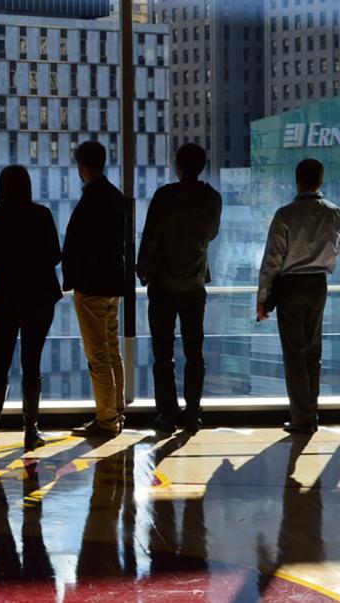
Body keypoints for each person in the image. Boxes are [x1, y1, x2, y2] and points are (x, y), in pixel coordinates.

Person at [0, 165, 62, 453]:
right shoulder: (42, 215)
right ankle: (31, 431)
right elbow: (55, 255)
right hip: (40, 299)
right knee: (32, 365)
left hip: (7, 299)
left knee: (0, 366)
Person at [137, 144, 222, 435]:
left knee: (163, 353)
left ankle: (168, 413)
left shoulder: (166, 196)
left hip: (163, 284)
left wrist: (142, 269)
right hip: (195, 283)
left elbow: (150, 235)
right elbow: (211, 234)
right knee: (194, 351)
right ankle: (193, 412)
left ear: (177, 165)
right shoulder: (213, 198)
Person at [256, 159, 340, 436]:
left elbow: (272, 260)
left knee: (294, 354)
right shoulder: (335, 213)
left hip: (291, 286)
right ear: (320, 181)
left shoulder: (285, 214)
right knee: (313, 351)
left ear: (297, 181)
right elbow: (337, 248)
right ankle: (311, 412)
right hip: (318, 284)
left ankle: (301, 417)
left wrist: (262, 298)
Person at [62, 140, 128, 438]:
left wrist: (70, 277)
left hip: (90, 285)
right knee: (112, 349)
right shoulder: (116, 197)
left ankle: (106, 418)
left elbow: (75, 243)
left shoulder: (89, 200)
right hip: (113, 283)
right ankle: (116, 410)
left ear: (83, 167)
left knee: (97, 354)